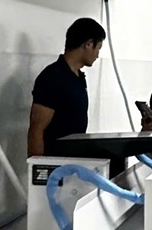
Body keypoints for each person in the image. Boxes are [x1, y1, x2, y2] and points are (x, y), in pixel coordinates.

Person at [28, 18, 105, 157]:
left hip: (74, 159)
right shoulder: (53, 77)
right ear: (88, 44)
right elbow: (37, 129)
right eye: (98, 48)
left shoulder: (78, 78)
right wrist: (38, 166)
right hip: (55, 161)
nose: (98, 55)